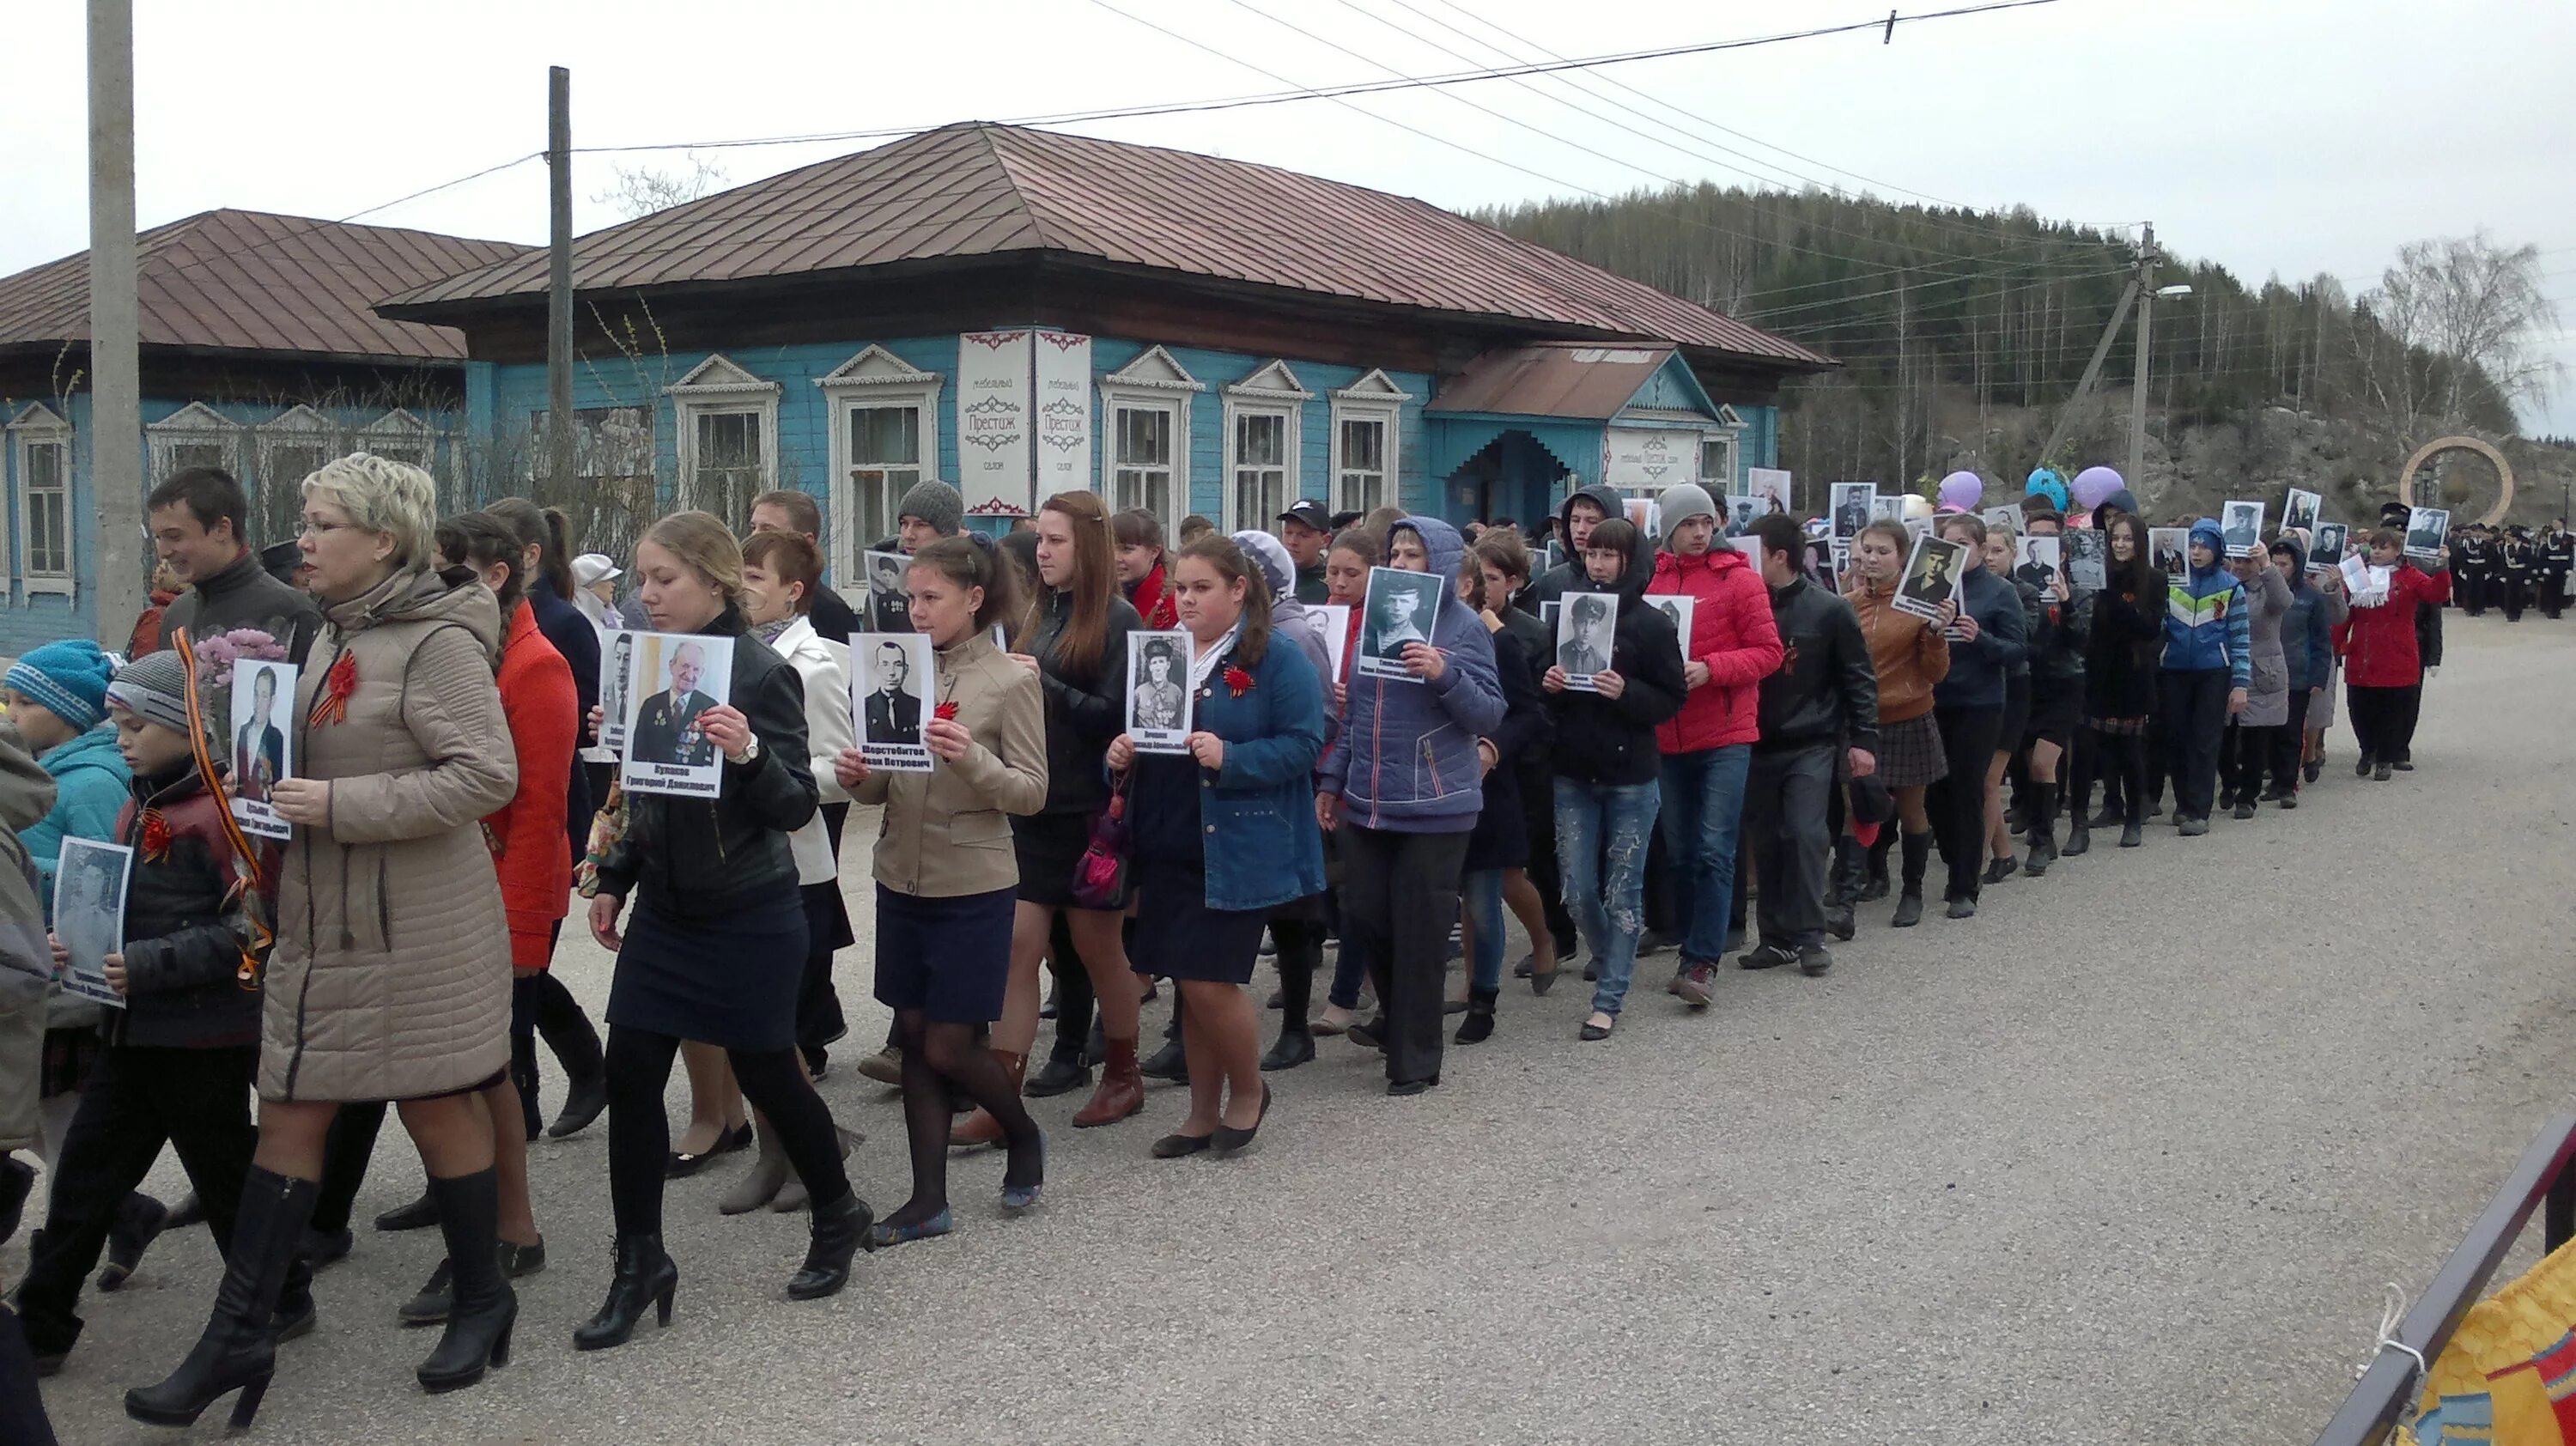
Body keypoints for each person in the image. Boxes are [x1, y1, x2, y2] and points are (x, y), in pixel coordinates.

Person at [125, 453, 522, 1426]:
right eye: (304, 520)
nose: (301, 538)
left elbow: (486, 777)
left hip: (415, 920)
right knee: (292, 1108)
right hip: (320, 916)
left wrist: (339, 803)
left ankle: (483, 1299)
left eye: (323, 523)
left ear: (383, 539)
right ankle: (240, 1333)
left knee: (434, 1103)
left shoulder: (438, 642)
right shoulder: (328, 632)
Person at [578, 511, 870, 1351]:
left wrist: (747, 753)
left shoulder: (760, 671)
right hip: (669, 911)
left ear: (715, 582)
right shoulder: (649, 665)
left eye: (665, 578)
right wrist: (615, 879)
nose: (648, 593)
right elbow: (648, 794)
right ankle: (639, 1262)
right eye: (641, 577)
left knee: (771, 1075)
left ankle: (838, 1209)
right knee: (631, 1075)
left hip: (750, 909)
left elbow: (793, 805)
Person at [13, 649, 274, 1378]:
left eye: (134, 725)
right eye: (116, 722)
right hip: (129, 1029)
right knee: (82, 1183)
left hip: (201, 1034)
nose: (120, 737)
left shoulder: (221, 815)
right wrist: (76, 937)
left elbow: (253, 927)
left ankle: (281, 1297)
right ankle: (41, 1323)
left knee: (224, 1177)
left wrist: (151, 961)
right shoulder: (138, 799)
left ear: (186, 727)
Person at [370, 512, 569, 1328]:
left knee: (492, 1070)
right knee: (459, 1072)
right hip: (452, 891)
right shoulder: (456, 650)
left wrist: (523, 928)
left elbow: (540, 810)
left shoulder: (536, 665)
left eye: (443, 576)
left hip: (503, 896)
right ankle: (474, 1215)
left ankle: (506, 1229)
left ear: (491, 578)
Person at [830, 536, 1048, 1240]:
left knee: (953, 1046)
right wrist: (858, 774)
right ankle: (929, 1199)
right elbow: (882, 790)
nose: (916, 613)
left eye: (931, 599)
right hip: (901, 875)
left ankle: (1021, 1133)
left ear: (974, 599)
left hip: (973, 882)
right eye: (910, 599)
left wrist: (974, 759)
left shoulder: (1011, 680)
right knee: (918, 1037)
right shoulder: (900, 671)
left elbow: (1031, 794)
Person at [1111, 533, 1323, 1153]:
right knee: (1185, 979)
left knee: (1209, 980)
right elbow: (1140, 734)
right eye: (1180, 587)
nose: (1186, 600)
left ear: (1238, 589)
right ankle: (1202, 1111)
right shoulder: (1165, 653)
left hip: (1236, 842)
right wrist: (1121, 755)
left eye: (1202, 588)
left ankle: (1250, 1090)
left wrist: (1234, 757)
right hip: (1168, 835)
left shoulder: (1275, 657)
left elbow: (1307, 742)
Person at [968, 489, 1147, 1142]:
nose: (1042, 551)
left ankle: (1123, 1074)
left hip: (1091, 809)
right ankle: (1002, 1097)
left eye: (1057, 540)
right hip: (1034, 803)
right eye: (1040, 539)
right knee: (1018, 947)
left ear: (1090, 546)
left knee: (1100, 947)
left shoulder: (1119, 619)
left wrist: (1038, 679)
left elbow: (1120, 720)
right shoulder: (1037, 611)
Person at [1318, 516, 1503, 1089]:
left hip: (1437, 804)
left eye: (1413, 555)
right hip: (1370, 800)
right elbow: (1356, 715)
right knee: (1368, 917)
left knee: (1422, 933)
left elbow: (1489, 714)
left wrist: (1443, 674)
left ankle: (1415, 1060)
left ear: (1442, 565)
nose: (1399, 563)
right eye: (1394, 553)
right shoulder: (1378, 621)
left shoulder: (1465, 627)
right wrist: (1332, 780)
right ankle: (1398, 1023)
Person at [720, 528, 859, 1212]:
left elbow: (832, 771)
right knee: (746, 1023)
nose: (742, 586)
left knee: (775, 1026)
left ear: (792, 590)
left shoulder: (814, 665)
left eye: (753, 575)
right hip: (734, 857)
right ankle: (781, 1149)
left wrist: (756, 761)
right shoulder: (734, 652)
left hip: (793, 862)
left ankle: (815, 1148)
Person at [1540, 514, 1686, 1040]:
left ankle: (1609, 998)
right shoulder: (1567, 614)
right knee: (1577, 890)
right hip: (1574, 772)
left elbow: (1672, 700)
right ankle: (1611, 956)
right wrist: (1551, 684)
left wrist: (1627, 692)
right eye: (1592, 555)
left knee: (1623, 891)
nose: (1597, 565)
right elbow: (1542, 697)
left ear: (1630, 561)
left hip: (1630, 777)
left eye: (1609, 556)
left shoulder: (1651, 623)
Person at [1643, 482, 1781, 1001]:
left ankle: (1701, 961)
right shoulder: (1648, 581)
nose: (1700, 533)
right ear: (1668, 529)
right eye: (1687, 524)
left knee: (1715, 849)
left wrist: (1712, 669)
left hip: (1726, 732)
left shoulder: (1741, 580)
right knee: (1679, 851)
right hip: (1666, 733)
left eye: (1706, 522)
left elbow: (1768, 653)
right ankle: (1687, 939)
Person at [1740, 513, 1875, 975]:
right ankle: (1775, 938)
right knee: (1767, 839)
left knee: (1804, 833)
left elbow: (1858, 678)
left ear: (1780, 556)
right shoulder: (1745, 604)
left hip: (1812, 741)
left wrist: (1863, 740)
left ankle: (1811, 935)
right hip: (1755, 741)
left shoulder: (1830, 609)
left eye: (1752, 550)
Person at [1452, 545, 1546, 1043]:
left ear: (1465, 586)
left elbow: (1528, 715)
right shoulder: (1419, 635)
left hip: (1489, 784)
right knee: (1457, 896)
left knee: (1485, 896)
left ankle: (1483, 1000)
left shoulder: (1500, 642)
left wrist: (1492, 748)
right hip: (1435, 781)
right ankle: (1463, 987)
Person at [1473, 531, 1576, 987]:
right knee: (1473, 877)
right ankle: (1477, 979)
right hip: (1474, 762)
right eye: (1477, 576)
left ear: (1512, 582)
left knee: (1517, 869)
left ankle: (1546, 937)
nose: (1483, 586)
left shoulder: (1531, 633)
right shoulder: (1460, 625)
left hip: (1523, 764)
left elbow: (1538, 709)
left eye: (1492, 578)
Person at [1839, 521, 1953, 923]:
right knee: (1858, 810)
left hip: (1908, 718)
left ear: (1903, 558)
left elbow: (1936, 673)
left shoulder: (1921, 605)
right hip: (1862, 724)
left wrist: (1938, 632)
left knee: (1911, 812)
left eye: (1883, 551)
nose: (1872, 558)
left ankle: (1913, 891)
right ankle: (1847, 899)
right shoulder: (1847, 603)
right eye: (1867, 550)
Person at [1923, 513, 2027, 917]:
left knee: (1967, 788)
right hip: (1934, 699)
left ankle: (1965, 884)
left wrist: (1978, 637)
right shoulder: (1930, 585)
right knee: (1935, 792)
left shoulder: (2000, 591)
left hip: (1980, 703)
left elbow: (2017, 650)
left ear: (1982, 550)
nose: (1955, 551)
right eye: (1947, 543)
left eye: (1963, 543)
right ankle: (1955, 860)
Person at [148, 466, 322, 661]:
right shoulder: (178, 613)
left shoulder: (292, 612)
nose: (164, 552)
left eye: (174, 537)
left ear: (222, 530)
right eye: (158, 537)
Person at [2068, 512, 2165, 851]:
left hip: (2132, 675)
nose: (2120, 545)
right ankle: (2078, 825)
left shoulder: (2153, 579)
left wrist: (2113, 599)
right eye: (2115, 539)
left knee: (2130, 754)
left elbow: (2150, 627)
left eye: (2127, 539)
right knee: (2084, 752)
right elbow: (2080, 624)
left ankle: (2134, 818)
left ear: (2139, 542)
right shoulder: (2092, 574)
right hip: (2095, 673)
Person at [2158, 518, 2251, 835]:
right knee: (2176, 738)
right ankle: (2183, 803)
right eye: (2193, 546)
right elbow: (2159, 627)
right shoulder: (2171, 583)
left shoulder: (2231, 587)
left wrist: (2240, 683)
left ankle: (2199, 810)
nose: (2197, 552)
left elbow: (2240, 638)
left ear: (2217, 550)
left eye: (2204, 547)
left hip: (2214, 671)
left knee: (2205, 741)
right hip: (2174, 670)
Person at [2336, 529, 2451, 780]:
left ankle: (2386, 757)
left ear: (2397, 551)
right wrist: (2337, 644)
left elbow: (2436, 593)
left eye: (2384, 547)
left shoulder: (2410, 575)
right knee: (2360, 707)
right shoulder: (2359, 573)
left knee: (2392, 708)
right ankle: (2367, 750)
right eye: (2375, 546)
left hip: (2397, 652)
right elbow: (2346, 614)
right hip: (2363, 652)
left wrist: (2442, 565)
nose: (2377, 551)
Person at [2010, 522, 2089, 875]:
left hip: (2064, 684)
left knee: (2044, 763)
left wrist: (2066, 602)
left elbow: (2082, 641)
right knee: (2029, 764)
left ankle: (2043, 840)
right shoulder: (2020, 588)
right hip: (2030, 683)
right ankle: (2039, 826)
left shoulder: (2079, 590)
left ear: (2062, 556)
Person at [1976, 524, 2036, 885]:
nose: (1992, 557)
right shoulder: (1968, 589)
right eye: (1989, 550)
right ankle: (2004, 853)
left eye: (1999, 550)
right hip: (1980, 689)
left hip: (2013, 687)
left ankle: (1974, 864)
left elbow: (2023, 640)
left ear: (2014, 552)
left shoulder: (2024, 592)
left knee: (1988, 779)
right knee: (1985, 781)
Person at [2217, 540, 2293, 820]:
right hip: (2226, 668)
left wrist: (2266, 564)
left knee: (2254, 740)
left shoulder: (2268, 587)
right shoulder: (2223, 584)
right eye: (2236, 561)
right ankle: (2228, 782)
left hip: (2262, 671)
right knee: (2223, 738)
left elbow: (2285, 601)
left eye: (2246, 561)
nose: (2239, 567)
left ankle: (2247, 796)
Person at [2269, 537, 2342, 808]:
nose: (2278, 569)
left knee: (2291, 731)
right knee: (2269, 732)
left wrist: (2319, 676)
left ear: (2296, 566)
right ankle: (2275, 780)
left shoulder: (2311, 597)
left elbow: (2322, 640)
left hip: (2297, 672)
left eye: (2284, 564)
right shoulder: (2260, 591)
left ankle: (2288, 785)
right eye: (2274, 564)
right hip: (2267, 673)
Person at [748, 489, 862, 644]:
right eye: (753, 527)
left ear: (806, 541)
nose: (755, 536)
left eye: (768, 530)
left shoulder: (830, 613)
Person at [1113, 507, 1180, 629]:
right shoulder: (1099, 595)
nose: (1115, 558)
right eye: (1109, 549)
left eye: (1126, 549)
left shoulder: (1172, 605)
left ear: (1154, 552)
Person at [231, 665, 286, 803]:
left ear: (272, 702)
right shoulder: (242, 731)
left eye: (264, 696)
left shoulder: (277, 738)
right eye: (256, 694)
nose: (258, 702)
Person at [865, 639, 926, 745]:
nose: (891, 673)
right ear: (877, 669)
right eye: (885, 664)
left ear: (905, 670)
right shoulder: (864, 706)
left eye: (897, 665)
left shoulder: (919, 706)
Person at [1278, 499, 1333, 602]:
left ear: (1325, 541)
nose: (1293, 542)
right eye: (1288, 533)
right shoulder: (1270, 578)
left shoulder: (1333, 585)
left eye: (1304, 535)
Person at [1131, 637, 1186, 731]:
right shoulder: (1139, 692)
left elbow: (1181, 723)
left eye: (1161, 662)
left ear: (1168, 665)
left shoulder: (1177, 693)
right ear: (1150, 667)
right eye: (1154, 663)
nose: (1158, 667)